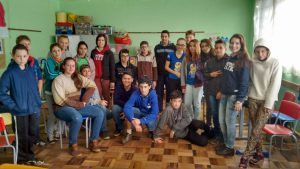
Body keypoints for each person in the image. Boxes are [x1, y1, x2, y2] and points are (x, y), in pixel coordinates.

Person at [238, 38, 282, 168]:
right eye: (257, 51)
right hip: (252, 99)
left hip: (266, 102)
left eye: (263, 51)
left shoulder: (275, 63)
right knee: (256, 130)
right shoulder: (252, 62)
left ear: (268, 51)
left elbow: (275, 84)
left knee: (256, 130)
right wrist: (245, 97)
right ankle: (259, 153)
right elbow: (248, 80)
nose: (260, 54)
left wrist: (269, 104)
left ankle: (245, 157)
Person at [0, 44, 44, 166]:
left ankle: (30, 157)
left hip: (33, 109)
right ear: (13, 56)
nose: (21, 59)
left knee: (32, 134)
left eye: (24, 56)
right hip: (19, 111)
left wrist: (37, 102)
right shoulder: (9, 73)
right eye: (18, 56)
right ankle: (21, 161)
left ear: (28, 56)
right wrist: (14, 106)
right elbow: (1, 93)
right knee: (22, 136)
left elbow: (34, 88)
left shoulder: (30, 70)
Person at [52, 57, 105, 156]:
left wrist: (84, 100)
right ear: (63, 66)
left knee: (99, 113)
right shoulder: (58, 80)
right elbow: (60, 101)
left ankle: (93, 141)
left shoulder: (78, 77)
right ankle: (72, 145)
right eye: (68, 65)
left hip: (76, 107)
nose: (71, 67)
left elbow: (92, 85)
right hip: (61, 108)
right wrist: (79, 104)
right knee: (77, 117)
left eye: (73, 65)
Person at [216, 34, 251, 156]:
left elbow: (245, 82)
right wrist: (221, 90)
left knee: (229, 122)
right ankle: (226, 143)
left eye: (237, 43)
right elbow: (226, 77)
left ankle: (230, 147)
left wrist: (240, 100)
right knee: (222, 121)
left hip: (234, 96)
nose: (234, 45)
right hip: (225, 94)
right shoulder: (230, 57)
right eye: (232, 43)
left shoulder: (244, 61)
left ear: (241, 45)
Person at [16, 35, 45, 147]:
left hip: (34, 96)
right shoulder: (15, 63)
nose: (27, 46)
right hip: (22, 98)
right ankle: (25, 143)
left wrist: (37, 94)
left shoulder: (34, 61)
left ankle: (36, 139)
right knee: (25, 121)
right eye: (24, 44)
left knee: (35, 119)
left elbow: (40, 78)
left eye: (28, 44)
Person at [204, 39, 228, 144]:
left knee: (223, 115)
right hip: (211, 92)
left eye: (220, 48)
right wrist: (210, 74)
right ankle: (217, 135)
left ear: (225, 49)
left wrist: (221, 91)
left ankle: (224, 137)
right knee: (215, 114)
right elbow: (204, 74)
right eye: (216, 48)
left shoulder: (229, 61)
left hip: (224, 93)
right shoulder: (210, 61)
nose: (218, 50)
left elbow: (229, 79)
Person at [122, 76, 159, 144]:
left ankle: (152, 132)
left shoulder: (153, 95)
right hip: (140, 112)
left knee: (151, 122)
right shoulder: (136, 93)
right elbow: (127, 107)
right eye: (141, 87)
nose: (143, 89)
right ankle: (129, 133)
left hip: (149, 115)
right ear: (138, 86)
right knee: (130, 111)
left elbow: (155, 113)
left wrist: (140, 121)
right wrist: (133, 121)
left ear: (149, 86)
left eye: (145, 87)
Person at [79, 64, 110, 139]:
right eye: (84, 71)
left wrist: (100, 101)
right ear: (81, 73)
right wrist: (98, 102)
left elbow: (96, 96)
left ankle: (98, 125)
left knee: (109, 111)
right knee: (102, 110)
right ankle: (103, 130)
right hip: (86, 105)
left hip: (95, 103)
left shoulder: (91, 81)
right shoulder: (81, 84)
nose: (87, 73)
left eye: (88, 71)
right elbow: (83, 100)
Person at [44, 43, 63, 144]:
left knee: (61, 113)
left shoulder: (63, 61)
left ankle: (58, 133)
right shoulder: (48, 62)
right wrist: (61, 74)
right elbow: (50, 75)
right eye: (54, 51)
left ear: (61, 51)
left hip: (60, 92)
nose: (56, 53)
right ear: (51, 52)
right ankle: (50, 136)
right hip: (50, 92)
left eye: (58, 51)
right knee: (52, 114)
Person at [181, 39, 204, 120]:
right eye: (190, 46)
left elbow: (204, 72)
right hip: (188, 84)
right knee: (187, 104)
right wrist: (183, 86)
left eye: (194, 46)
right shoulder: (185, 58)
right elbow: (183, 73)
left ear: (197, 47)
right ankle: (190, 119)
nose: (192, 48)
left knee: (196, 104)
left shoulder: (201, 58)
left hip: (198, 84)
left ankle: (196, 121)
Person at [90, 33, 115, 108]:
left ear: (105, 41)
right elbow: (91, 64)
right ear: (96, 41)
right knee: (98, 96)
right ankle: (100, 111)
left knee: (107, 96)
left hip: (106, 78)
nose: (100, 42)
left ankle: (107, 112)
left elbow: (112, 67)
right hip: (96, 78)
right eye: (99, 40)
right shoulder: (93, 52)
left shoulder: (109, 52)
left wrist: (112, 81)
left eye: (102, 40)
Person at [154, 30, 176, 111]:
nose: (164, 38)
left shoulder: (173, 47)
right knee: (159, 92)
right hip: (160, 74)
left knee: (170, 92)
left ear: (168, 37)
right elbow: (155, 61)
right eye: (162, 36)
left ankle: (168, 110)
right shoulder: (157, 47)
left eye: (166, 36)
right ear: (161, 37)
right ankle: (159, 110)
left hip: (170, 73)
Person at [111, 72, 137, 136]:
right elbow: (116, 100)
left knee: (134, 110)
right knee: (114, 108)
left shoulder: (135, 89)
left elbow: (135, 103)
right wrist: (126, 109)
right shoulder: (118, 87)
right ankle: (119, 127)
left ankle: (132, 125)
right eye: (125, 78)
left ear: (132, 80)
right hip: (121, 106)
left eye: (128, 79)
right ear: (122, 79)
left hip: (131, 108)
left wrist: (126, 111)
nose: (126, 80)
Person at [165, 38, 186, 102]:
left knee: (181, 96)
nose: (180, 46)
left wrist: (182, 75)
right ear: (176, 45)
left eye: (182, 45)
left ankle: (180, 110)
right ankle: (169, 110)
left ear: (185, 46)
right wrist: (175, 73)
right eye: (178, 44)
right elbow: (166, 67)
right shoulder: (170, 54)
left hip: (182, 80)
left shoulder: (186, 55)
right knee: (170, 96)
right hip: (172, 79)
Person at [200, 38, 215, 127]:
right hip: (207, 85)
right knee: (209, 107)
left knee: (215, 108)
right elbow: (201, 73)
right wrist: (209, 74)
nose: (204, 48)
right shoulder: (200, 58)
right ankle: (208, 125)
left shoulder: (215, 56)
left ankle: (216, 126)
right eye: (202, 46)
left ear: (210, 45)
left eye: (206, 45)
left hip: (217, 85)